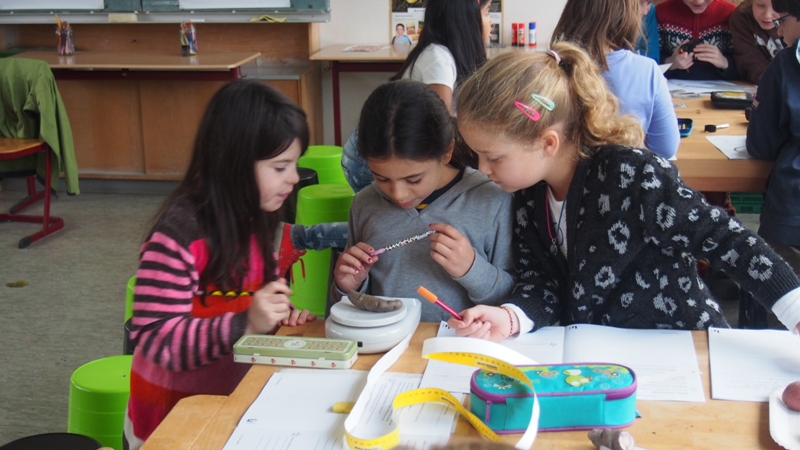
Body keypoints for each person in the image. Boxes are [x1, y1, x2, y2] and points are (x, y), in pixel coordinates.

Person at [448, 43, 800, 341]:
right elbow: (543, 282)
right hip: (604, 357)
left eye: (494, 157)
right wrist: (511, 317)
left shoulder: (631, 174)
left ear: (547, 143)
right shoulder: (527, 195)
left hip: (681, 347)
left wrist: (795, 310)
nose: (483, 169)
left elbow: (727, 240)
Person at [124, 81, 317, 449]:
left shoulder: (257, 217)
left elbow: (254, 298)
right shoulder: (178, 235)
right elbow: (156, 339)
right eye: (280, 167)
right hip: (170, 422)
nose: (294, 177)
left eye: (294, 164)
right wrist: (246, 323)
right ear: (234, 164)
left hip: (228, 406)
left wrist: (280, 317)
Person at [332, 80, 514, 322]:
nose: (399, 194)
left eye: (414, 180)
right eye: (381, 178)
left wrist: (471, 268)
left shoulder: (492, 201)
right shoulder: (365, 204)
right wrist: (346, 288)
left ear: (446, 152)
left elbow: (514, 304)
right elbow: (343, 311)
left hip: (461, 342)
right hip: (386, 343)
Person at [341, 0, 493, 193]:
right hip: (377, 160)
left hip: (396, 157)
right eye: (487, 13)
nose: (490, 21)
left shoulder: (447, 54)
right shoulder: (438, 58)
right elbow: (443, 126)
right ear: (465, 18)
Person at [551, 0, 679, 159]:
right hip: (625, 172)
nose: (645, 12)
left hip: (565, 174)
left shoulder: (551, 66)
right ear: (625, 15)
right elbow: (666, 148)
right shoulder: (648, 71)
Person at [746, 0, 800, 277]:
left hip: (792, 212)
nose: (779, 31)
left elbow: (761, 145)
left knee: (781, 292)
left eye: (782, 21)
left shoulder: (786, 63)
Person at [657, 0, 739, 79]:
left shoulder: (732, 14)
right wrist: (670, 63)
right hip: (671, 86)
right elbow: (651, 62)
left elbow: (744, 65)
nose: (699, 1)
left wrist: (725, 62)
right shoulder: (660, 13)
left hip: (724, 86)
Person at [731, 0, 786, 83]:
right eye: (760, 5)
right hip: (769, 84)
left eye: (777, 7)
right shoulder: (743, 17)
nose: (767, 15)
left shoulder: (795, 22)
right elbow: (752, 65)